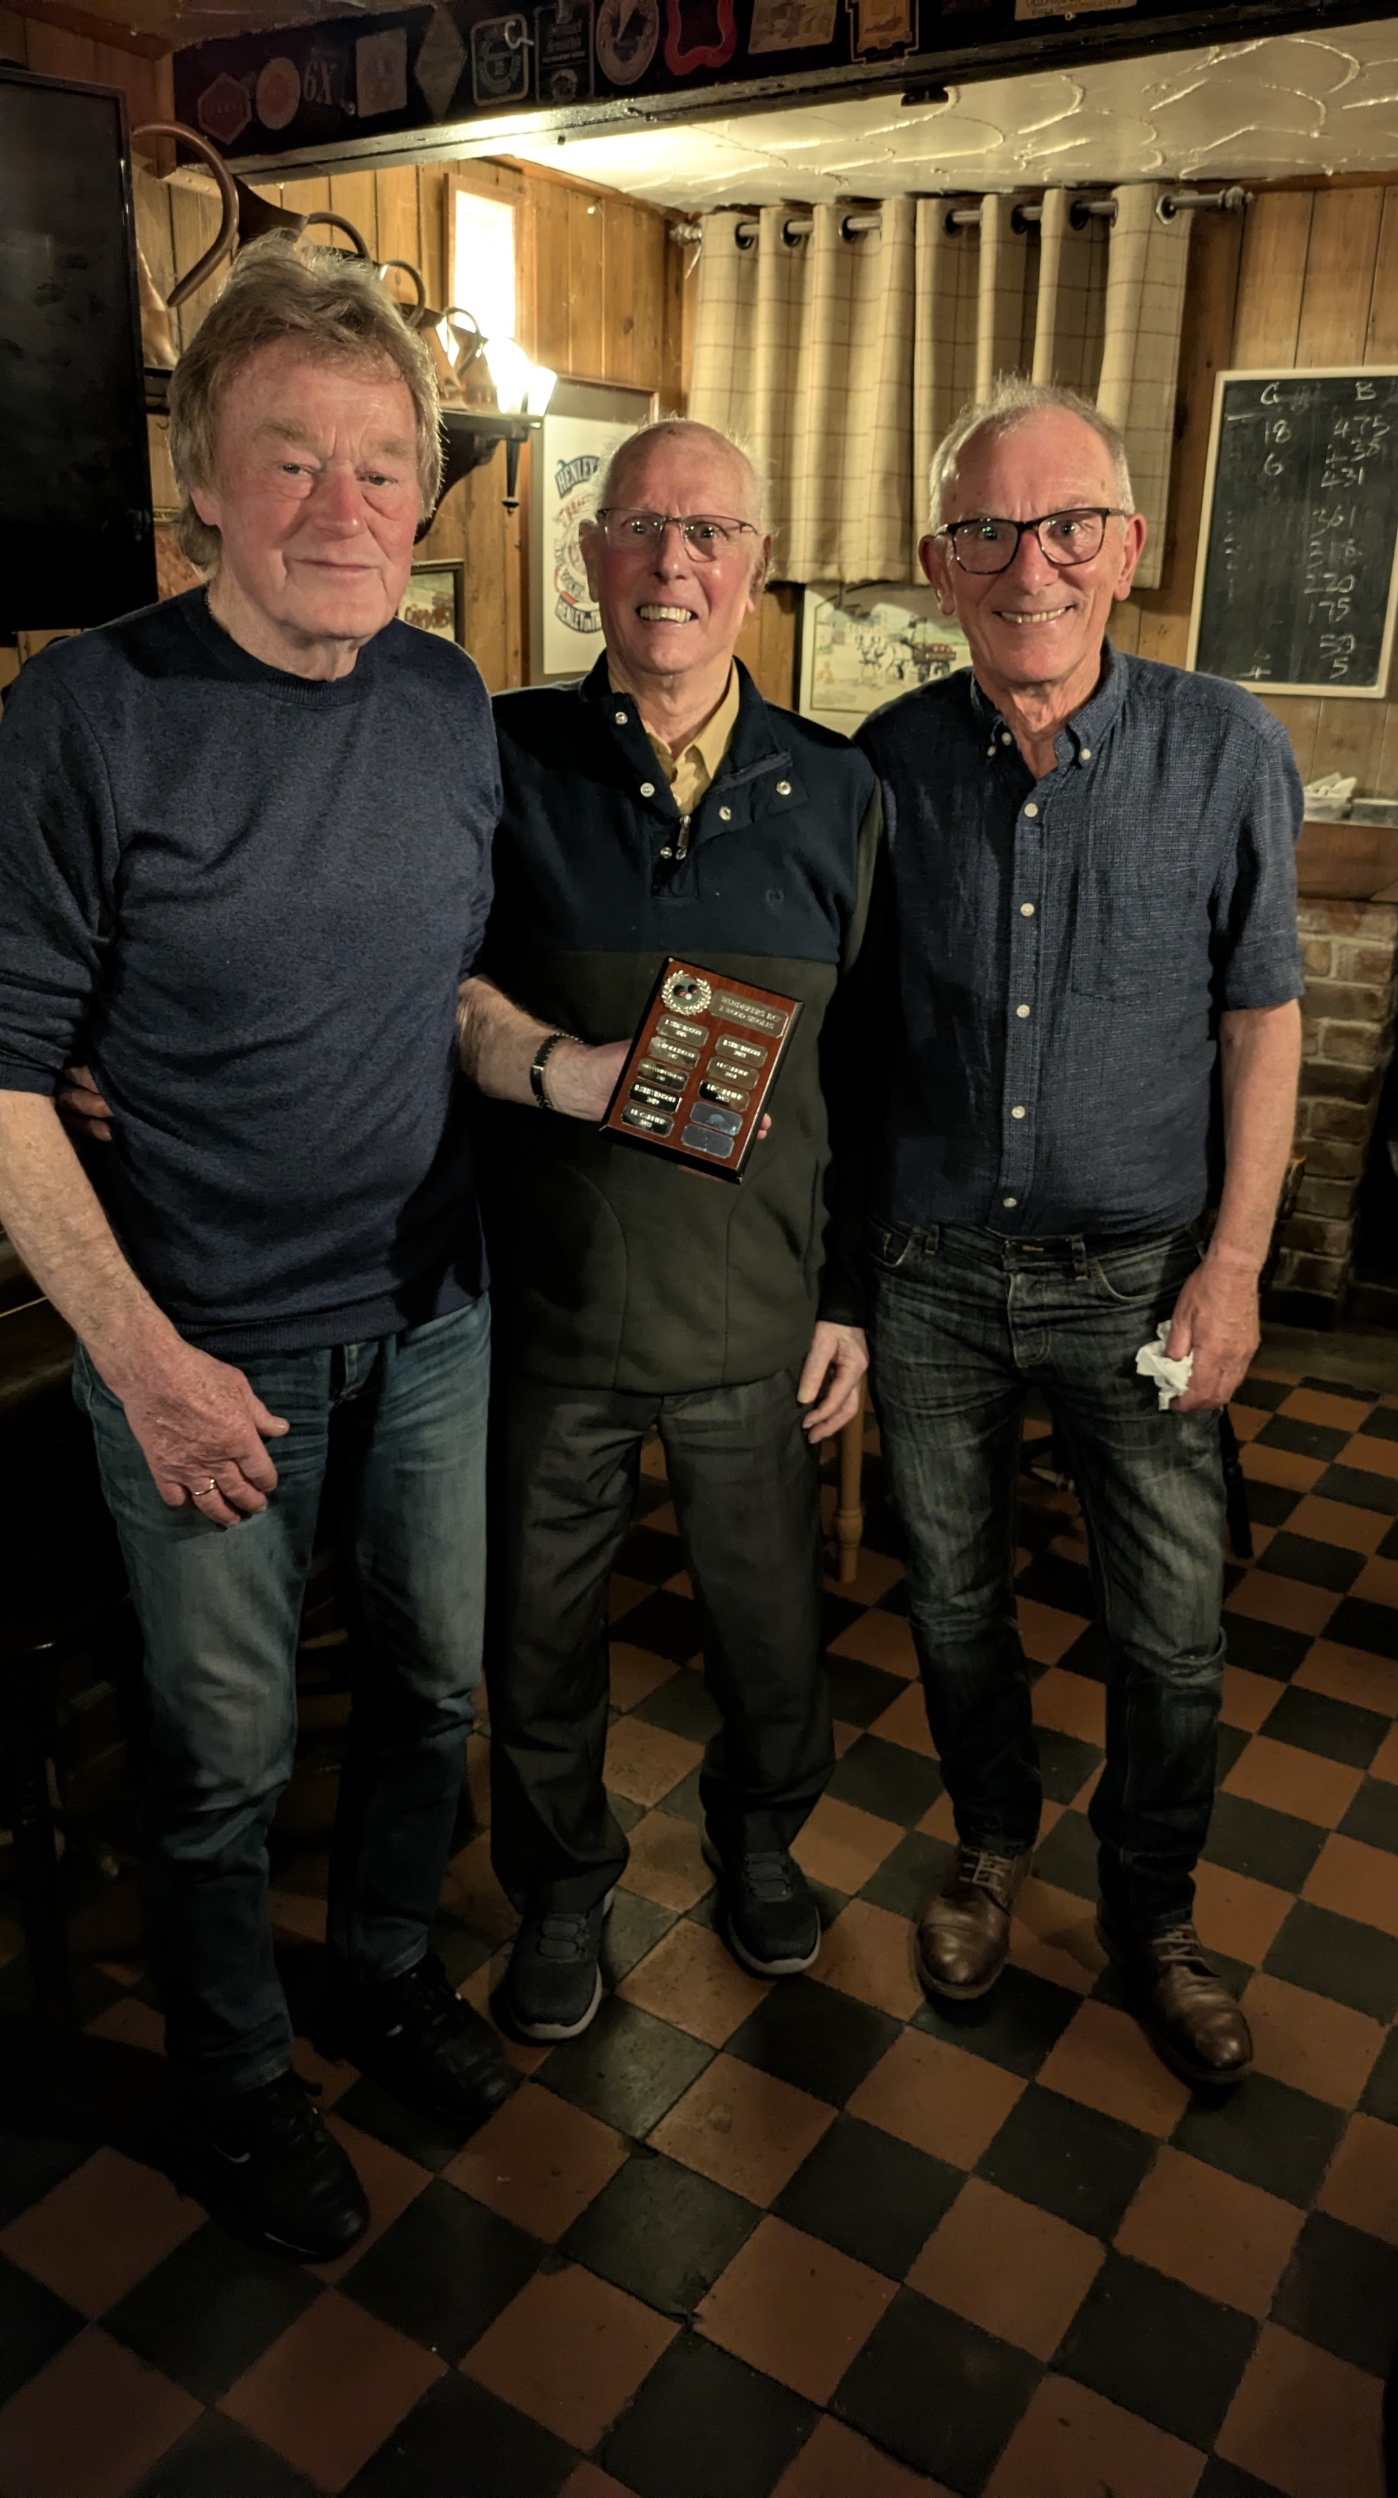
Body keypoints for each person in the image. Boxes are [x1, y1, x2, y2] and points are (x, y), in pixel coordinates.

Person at [0, 239, 513, 2263]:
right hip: (202, 1346)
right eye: (288, 461)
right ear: (201, 481)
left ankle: (381, 1969)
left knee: (432, 1690)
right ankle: (228, 2084)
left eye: (380, 467)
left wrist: (551, 1066)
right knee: (221, 1758)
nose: (340, 508)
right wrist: (138, 1357)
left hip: (434, 1316)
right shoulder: (90, 711)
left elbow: (433, 986)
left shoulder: (445, 696)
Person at [858, 377, 1303, 2089]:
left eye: (1064, 526)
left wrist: (1237, 1265)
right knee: (956, 1602)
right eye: (985, 528)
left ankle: (1154, 1910)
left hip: (1144, 1279)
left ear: (1126, 548)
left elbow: (1260, 1021)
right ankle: (987, 1841)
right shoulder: (886, 765)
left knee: (1169, 1629)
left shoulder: (1225, 746)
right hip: (930, 1279)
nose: (1025, 561)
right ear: (935, 560)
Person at [456, 419, 882, 2043]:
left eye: (707, 533)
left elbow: (875, 1072)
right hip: (549, 1307)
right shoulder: (497, 757)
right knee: (539, 1638)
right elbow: (436, 989)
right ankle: (561, 1892)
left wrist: (845, 1293)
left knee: (770, 1633)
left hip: (756, 1313)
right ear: (588, 559)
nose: (672, 562)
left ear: (754, 571)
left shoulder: (838, 791)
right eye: (638, 527)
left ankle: (758, 1842)